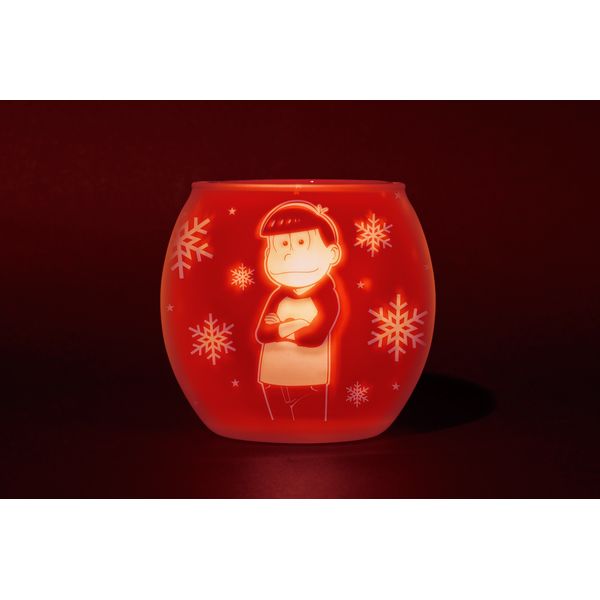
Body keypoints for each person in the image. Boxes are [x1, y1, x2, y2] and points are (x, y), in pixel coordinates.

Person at [255, 200, 343, 421]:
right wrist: (297, 325)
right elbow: (262, 334)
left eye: (301, 242)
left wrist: (280, 329)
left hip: (311, 377)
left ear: (332, 253)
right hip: (271, 374)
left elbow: (315, 337)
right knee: (276, 420)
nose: (287, 255)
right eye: (282, 245)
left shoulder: (326, 296)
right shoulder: (277, 296)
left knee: (311, 419)